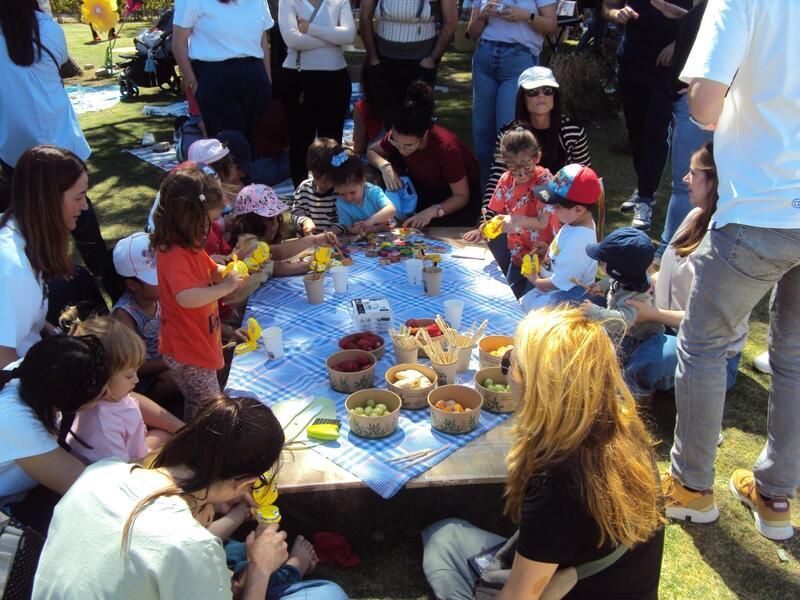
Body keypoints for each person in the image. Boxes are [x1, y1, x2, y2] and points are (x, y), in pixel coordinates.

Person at [662, 0, 800, 542]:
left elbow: (704, 96)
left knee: (703, 345)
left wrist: (716, 119)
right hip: (771, 207)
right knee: (793, 359)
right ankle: (775, 495)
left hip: (760, 208)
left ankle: (692, 487)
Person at [422, 308, 665, 599]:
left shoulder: (558, 481)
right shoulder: (626, 431)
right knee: (448, 534)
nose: (506, 368)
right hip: (603, 581)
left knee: (442, 542)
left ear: (533, 385)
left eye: (511, 362)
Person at [32, 395, 347, 600]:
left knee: (234, 553)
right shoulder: (191, 546)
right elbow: (182, 549)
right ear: (246, 483)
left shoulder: (101, 473)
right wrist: (262, 569)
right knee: (328, 595)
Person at [623, 143, 742, 399]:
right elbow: (672, 268)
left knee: (651, 358)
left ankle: (626, 393)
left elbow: (704, 318)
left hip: (707, 353)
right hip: (667, 329)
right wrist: (647, 281)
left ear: (714, 181)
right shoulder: (696, 216)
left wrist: (652, 313)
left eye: (693, 173)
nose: (685, 179)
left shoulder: (727, 240)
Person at [0, 3, 106, 272]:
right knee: (82, 223)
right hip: (58, 142)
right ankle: (105, 281)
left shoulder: (43, 29)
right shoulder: (48, 28)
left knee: (32, 226)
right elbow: (59, 63)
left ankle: (49, 283)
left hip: (15, 148)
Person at [150, 165, 247, 420]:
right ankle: (205, 441)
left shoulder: (190, 246)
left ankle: (198, 434)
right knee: (210, 405)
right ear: (186, 217)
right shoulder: (173, 254)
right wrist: (224, 287)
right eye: (206, 222)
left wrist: (224, 271)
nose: (209, 229)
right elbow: (186, 296)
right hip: (186, 349)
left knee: (200, 401)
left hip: (199, 339)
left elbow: (208, 269)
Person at [0, 335, 107, 534]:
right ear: (69, 402)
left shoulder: (38, 371)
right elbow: (87, 488)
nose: (107, 394)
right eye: (101, 395)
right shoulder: (15, 421)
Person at [602, 0, 691, 232]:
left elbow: (703, 19)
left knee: (656, 129)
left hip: (666, 68)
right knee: (636, 129)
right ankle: (645, 187)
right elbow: (607, 7)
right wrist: (616, 14)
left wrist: (678, 43)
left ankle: (645, 198)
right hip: (632, 60)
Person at [0, 146, 89, 369]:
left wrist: (53, 332)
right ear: (48, 201)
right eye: (79, 197)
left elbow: (23, 318)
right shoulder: (10, 268)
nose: (85, 206)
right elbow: (3, 364)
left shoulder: (21, 234)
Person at [60, 314, 182, 464]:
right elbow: (122, 472)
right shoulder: (102, 427)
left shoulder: (115, 396)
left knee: (164, 435)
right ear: (100, 378)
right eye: (129, 376)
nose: (137, 380)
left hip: (133, 450)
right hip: (122, 470)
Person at [467, 0, 557, 186]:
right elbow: (472, 31)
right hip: (485, 54)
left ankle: (513, 197)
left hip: (519, 57)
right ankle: (488, 201)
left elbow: (551, 25)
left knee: (509, 134)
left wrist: (527, 16)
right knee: (482, 135)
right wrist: (483, 14)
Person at [368, 81, 481, 228]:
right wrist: (385, 166)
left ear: (425, 134)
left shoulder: (447, 149)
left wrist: (433, 211)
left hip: (453, 202)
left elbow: (461, 196)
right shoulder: (400, 135)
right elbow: (371, 151)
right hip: (423, 192)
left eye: (409, 146)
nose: (401, 150)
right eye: (396, 143)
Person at [650, 0, 711, 262]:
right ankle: (675, 255)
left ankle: (670, 255)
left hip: (706, 101)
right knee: (693, 183)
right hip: (702, 97)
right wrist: (685, 17)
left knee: (688, 183)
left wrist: (710, 92)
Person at [463, 127, 558, 298]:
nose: (521, 173)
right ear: (506, 163)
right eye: (514, 167)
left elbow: (542, 222)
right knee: (510, 298)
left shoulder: (544, 181)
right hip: (518, 253)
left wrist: (513, 220)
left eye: (526, 166)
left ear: (537, 157)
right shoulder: (505, 180)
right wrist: (484, 228)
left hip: (543, 257)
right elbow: (495, 211)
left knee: (532, 302)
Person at [482, 66, 591, 209]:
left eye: (547, 90)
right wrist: (486, 219)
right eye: (533, 92)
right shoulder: (509, 133)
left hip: (561, 206)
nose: (541, 96)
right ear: (522, 98)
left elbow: (585, 176)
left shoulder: (572, 131)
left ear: (554, 96)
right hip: (518, 206)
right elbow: (497, 178)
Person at [172, 0, 274, 146]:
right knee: (226, 148)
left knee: (252, 145)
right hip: (215, 77)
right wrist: (193, 83)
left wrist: (267, 78)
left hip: (254, 75)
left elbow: (263, 38)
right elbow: (179, 43)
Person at [279, 0, 355, 187]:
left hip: (335, 78)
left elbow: (349, 35)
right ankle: (301, 191)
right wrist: (332, 39)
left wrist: (310, 28)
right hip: (299, 78)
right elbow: (292, 39)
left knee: (332, 141)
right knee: (299, 141)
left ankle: (331, 189)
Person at [111, 233, 181, 412]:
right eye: (156, 277)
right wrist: (172, 361)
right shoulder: (124, 316)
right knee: (175, 378)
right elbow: (133, 367)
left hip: (170, 358)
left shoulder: (158, 296)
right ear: (132, 285)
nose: (164, 279)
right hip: (145, 379)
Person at [359, 0, 458, 126]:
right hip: (384, 63)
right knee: (387, 121)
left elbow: (451, 22)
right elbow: (364, 17)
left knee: (417, 122)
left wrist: (432, 59)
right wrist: (373, 58)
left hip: (421, 64)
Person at [519, 164, 601, 312]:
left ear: (578, 209)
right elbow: (565, 254)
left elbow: (560, 282)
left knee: (526, 314)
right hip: (552, 288)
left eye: (557, 206)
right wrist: (548, 251)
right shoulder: (576, 221)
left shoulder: (580, 242)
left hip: (562, 298)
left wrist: (534, 279)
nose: (552, 209)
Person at [580, 227, 664, 362]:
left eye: (602, 262)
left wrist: (595, 312)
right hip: (622, 326)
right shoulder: (629, 276)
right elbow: (612, 279)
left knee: (610, 357)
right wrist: (601, 285)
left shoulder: (637, 296)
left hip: (634, 338)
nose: (600, 264)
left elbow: (623, 321)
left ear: (616, 270)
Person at [229, 183, 340, 278]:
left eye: (277, 218)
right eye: (269, 219)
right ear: (250, 221)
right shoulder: (246, 243)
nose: (275, 224)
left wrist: (312, 265)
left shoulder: (264, 245)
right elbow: (279, 252)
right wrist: (314, 239)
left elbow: (278, 268)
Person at [331, 149, 397, 235]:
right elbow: (350, 229)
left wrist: (369, 222)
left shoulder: (373, 192)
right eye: (342, 194)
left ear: (362, 181)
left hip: (389, 235)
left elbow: (391, 209)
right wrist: (376, 228)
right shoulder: (341, 203)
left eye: (352, 192)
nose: (348, 198)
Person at [291, 138, 341, 235]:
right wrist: (305, 221)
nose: (325, 184)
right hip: (308, 242)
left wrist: (331, 232)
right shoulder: (304, 188)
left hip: (334, 240)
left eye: (329, 179)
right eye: (319, 179)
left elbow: (345, 220)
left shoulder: (339, 191)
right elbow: (295, 212)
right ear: (312, 171)